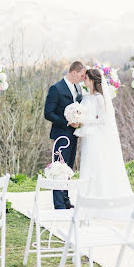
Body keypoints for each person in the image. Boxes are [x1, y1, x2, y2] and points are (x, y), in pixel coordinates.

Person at [74, 68, 132, 197]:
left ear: (93, 81)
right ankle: (86, 194)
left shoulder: (99, 98)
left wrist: (84, 121)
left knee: (94, 163)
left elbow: (103, 119)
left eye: (86, 79)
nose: (84, 81)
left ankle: (98, 194)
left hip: (94, 135)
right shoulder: (85, 96)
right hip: (87, 135)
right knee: (87, 163)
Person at [44, 61, 86, 209]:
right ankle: (59, 203)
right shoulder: (56, 88)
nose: (82, 78)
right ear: (73, 72)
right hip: (61, 134)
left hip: (73, 134)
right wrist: (67, 122)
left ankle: (66, 200)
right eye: (81, 75)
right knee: (58, 167)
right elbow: (48, 113)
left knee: (68, 167)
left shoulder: (78, 88)